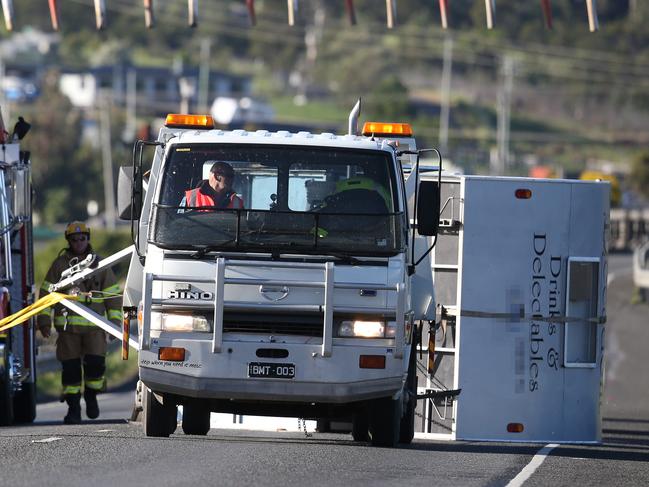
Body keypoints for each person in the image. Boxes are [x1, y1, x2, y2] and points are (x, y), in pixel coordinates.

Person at [37, 222, 122, 424]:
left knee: (95, 367)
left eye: (82, 238)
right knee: (71, 372)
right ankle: (73, 408)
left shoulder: (99, 265)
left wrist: (115, 325)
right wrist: (43, 321)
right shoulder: (59, 265)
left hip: (95, 329)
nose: (78, 243)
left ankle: (92, 396)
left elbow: (113, 296)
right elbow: (46, 293)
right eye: (74, 240)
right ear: (68, 241)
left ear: (88, 239)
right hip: (68, 330)